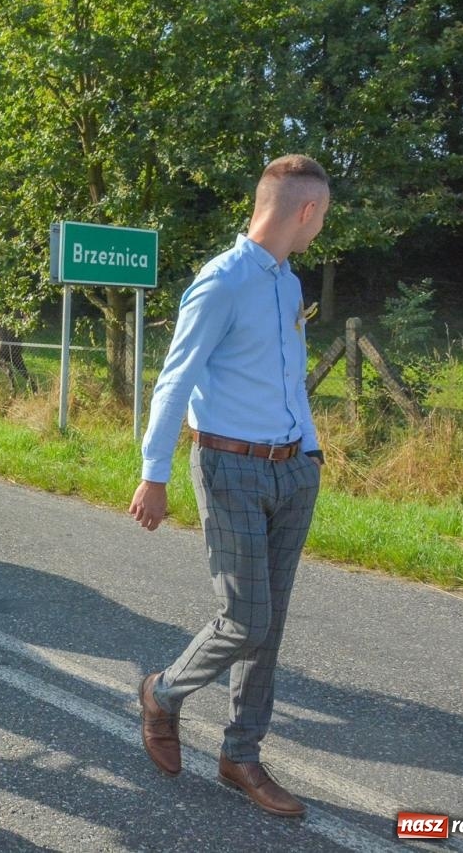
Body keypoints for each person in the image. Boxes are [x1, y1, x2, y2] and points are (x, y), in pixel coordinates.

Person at [130, 154, 330, 819]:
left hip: (292, 469)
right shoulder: (221, 282)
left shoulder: (287, 284)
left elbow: (286, 378)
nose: (319, 227)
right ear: (304, 210)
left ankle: (241, 754)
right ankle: (163, 693)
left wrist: (311, 451)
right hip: (230, 468)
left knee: (266, 627)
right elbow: (174, 378)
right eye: (321, 215)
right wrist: (153, 474)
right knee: (243, 619)